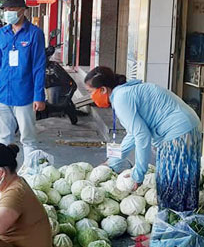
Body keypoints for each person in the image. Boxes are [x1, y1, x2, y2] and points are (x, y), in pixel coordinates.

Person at [85, 66, 202, 211]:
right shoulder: (124, 92)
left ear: (103, 89)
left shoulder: (121, 98)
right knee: (183, 185)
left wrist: (138, 174)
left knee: (172, 189)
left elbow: (141, 135)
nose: (91, 97)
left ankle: (175, 231)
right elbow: (133, 133)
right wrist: (112, 161)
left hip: (177, 133)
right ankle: (182, 227)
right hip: (188, 127)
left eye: (91, 92)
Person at [0, 0, 47, 160]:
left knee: (28, 139)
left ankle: (30, 174)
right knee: (4, 139)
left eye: (13, 8)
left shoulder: (34, 34)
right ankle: (5, 176)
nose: (9, 12)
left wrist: (39, 96)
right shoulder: (1, 34)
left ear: (23, 10)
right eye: (6, 8)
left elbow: (38, 67)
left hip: (25, 96)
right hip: (2, 96)